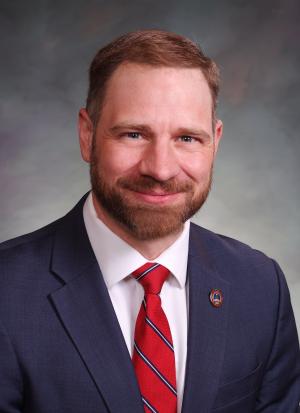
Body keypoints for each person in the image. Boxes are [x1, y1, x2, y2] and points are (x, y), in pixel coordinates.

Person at [0, 30, 299, 413]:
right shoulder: (7, 293)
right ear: (87, 135)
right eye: (134, 134)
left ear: (216, 142)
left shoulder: (260, 286)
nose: (160, 168)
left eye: (187, 138)